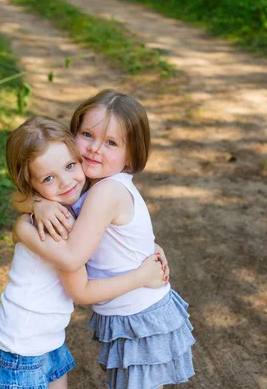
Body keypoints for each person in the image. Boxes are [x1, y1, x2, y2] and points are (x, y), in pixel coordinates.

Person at [13, 90, 196, 388]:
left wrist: (22, 230)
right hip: (130, 312)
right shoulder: (81, 182)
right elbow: (20, 196)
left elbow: (72, 259)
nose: (95, 149)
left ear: (131, 154)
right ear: (73, 134)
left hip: (139, 315)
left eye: (111, 142)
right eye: (87, 134)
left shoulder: (105, 191)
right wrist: (36, 204)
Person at [0, 116, 169, 389]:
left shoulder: (68, 201)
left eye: (71, 165)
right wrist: (142, 275)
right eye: (48, 178)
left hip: (46, 340)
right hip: (20, 345)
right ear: (31, 184)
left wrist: (146, 245)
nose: (66, 182)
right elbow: (79, 282)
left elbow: (106, 234)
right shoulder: (58, 225)